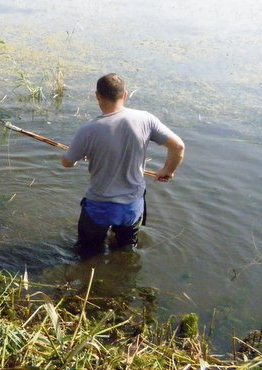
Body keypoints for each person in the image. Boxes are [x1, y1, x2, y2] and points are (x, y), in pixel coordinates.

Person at [61, 73, 185, 255]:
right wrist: (168, 170)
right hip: (132, 207)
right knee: (126, 252)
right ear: (125, 95)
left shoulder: (88, 130)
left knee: (87, 252)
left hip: (99, 207)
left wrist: (79, 155)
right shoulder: (146, 119)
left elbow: (66, 162)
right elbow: (178, 146)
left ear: (98, 96)